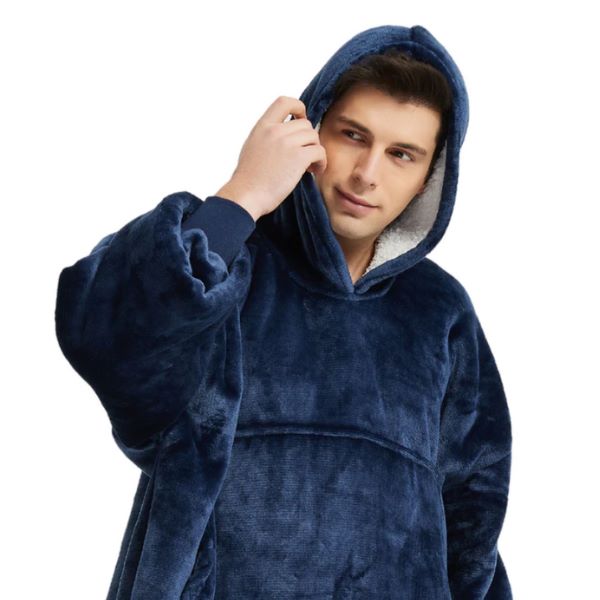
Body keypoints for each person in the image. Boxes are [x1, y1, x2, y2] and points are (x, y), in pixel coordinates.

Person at [55, 24, 513, 600]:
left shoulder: (440, 311)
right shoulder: (224, 261)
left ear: (430, 178)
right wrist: (243, 195)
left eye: (402, 155)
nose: (367, 173)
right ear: (310, 130)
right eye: (352, 135)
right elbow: (105, 336)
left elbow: (473, 521)